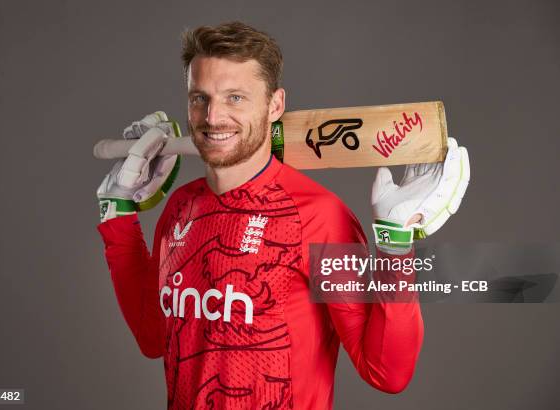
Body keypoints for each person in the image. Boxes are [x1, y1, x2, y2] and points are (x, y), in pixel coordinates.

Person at [96, 21, 469, 409]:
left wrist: (396, 246)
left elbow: (387, 372)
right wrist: (117, 216)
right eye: (199, 98)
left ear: (275, 105)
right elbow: (154, 338)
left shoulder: (320, 218)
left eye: (235, 98)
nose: (212, 116)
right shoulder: (180, 209)